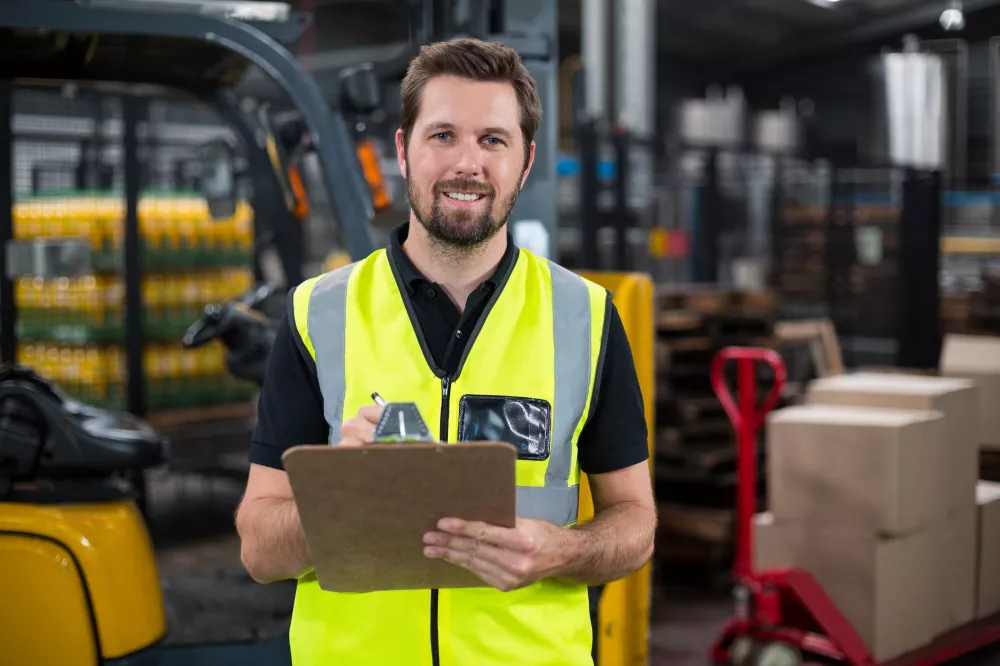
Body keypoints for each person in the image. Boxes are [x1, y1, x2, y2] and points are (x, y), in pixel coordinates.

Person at [235, 37, 656, 666]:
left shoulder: (585, 317)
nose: (467, 163)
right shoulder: (318, 314)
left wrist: (562, 551)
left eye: (492, 140)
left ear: (525, 160)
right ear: (403, 150)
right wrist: (338, 500)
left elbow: (635, 523)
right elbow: (259, 552)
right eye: (442, 136)